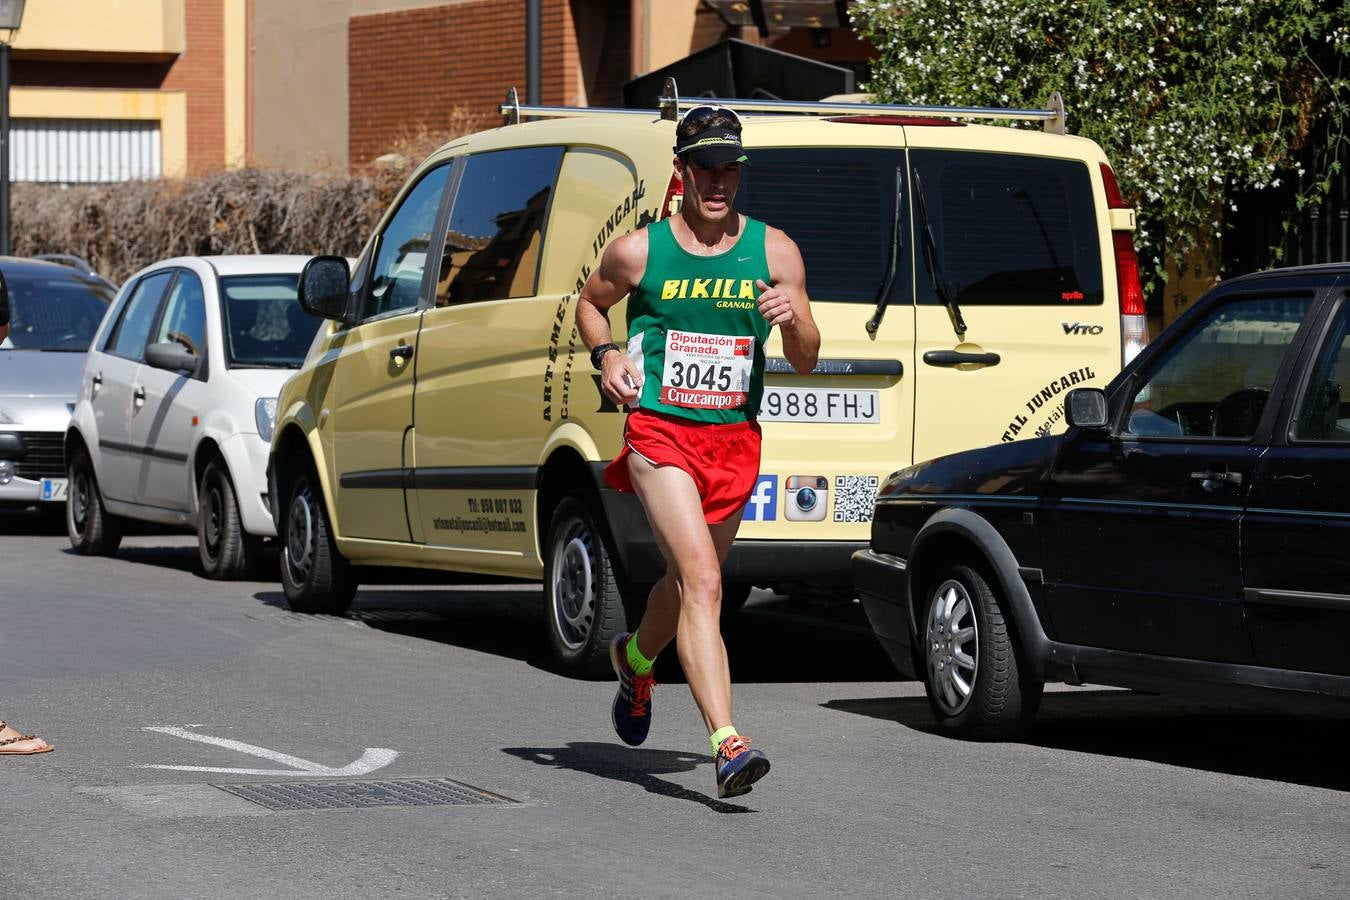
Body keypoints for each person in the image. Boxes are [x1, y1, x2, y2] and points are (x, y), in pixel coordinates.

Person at [576, 105, 820, 798]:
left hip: (733, 441)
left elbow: (805, 358)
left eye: (730, 168)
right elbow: (590, 304)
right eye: (706, 167)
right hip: (660, 434)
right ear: (681, 172)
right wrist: (609, 353)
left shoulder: (775, 252)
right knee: (706, 585)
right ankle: (727, 742)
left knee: (686, 585)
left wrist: (793, 318)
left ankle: (635, 658)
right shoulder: (640, 251)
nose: (719, 181)